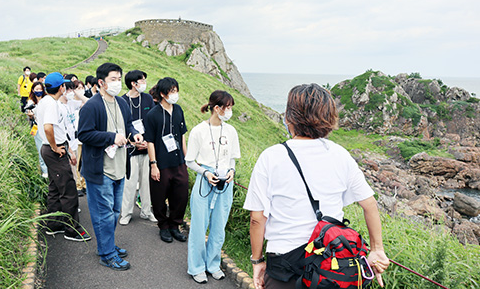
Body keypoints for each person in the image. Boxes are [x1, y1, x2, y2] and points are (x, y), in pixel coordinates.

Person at [243, 84, 389, 289]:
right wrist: (377, 249)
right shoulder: (340, 155)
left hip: (284, 268)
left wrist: (257, 262)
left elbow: (257, 219)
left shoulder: (271, 157)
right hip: (330, 268)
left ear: (289, 118)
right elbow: (370, 204)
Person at [78, 62, 143, 271]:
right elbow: (84, 134)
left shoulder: (122, 103)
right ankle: (107, 254)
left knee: (115, 212)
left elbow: (129, 124)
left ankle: (107, 245)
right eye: (113, 79)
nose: (116, 83)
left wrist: (134, 134)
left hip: (119, 168)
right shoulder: (92, 106)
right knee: (104, 214)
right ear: (101, 82)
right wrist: (111, 137)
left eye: (118, 78)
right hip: (101, 170)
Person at [186, 90, 240, 283]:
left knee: (219, 226)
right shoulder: (198, 131)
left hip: (225, 183)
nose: (230, 111)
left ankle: (213, 264)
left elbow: (232, 159)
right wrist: (206, 173)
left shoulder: (231, 131)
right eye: (228, 107)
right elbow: (190, 161)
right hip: (205, 180)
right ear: (217, 108)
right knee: (200, 226)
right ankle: (197, 267)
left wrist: (231, 172)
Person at [37, 72, 91, 242]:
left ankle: (54, 225)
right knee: (68, 191)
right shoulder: (52, 104)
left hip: (50, 149)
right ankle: (72, 229)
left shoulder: (45, 101)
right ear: (61, 87)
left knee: (54, 188)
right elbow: (47, 128)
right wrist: (55, 146)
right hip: (53, 150)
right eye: (64, 85)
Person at [144, 77, 188, 243]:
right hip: (161, 163)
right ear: (163, 94)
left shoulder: (178, 110)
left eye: (176, 91)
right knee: (159, 196)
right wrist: (153, 164)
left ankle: (175, 225)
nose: (175, 95)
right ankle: (163, 226)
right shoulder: (152, 115)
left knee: (180, 195)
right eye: (171, 92)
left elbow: (182, 135)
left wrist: (187, 159)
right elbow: (150, 141)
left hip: (179, 162)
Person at [119, 70, 157, 225]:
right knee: (129, 183)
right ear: (133, 83)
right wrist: (132, 142)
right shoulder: (122, 101)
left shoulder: (147, 99)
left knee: (147, 183)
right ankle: (126, 213)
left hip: (147, 147)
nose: (144, 82)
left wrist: (147, 142)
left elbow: (153, 122)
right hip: (130, 149)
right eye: (142, 80)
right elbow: (121, 126)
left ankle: (146, 211)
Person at [25, 81, 48, 178]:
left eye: (40, 89)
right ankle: (45, 171)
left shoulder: (47, 100)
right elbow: (29, 117)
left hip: (47, 127)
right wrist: (31, 116)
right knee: (40, 149)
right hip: (37, 128)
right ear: (33, 90)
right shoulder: (31, 102)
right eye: (36, 89)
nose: (38, 91)